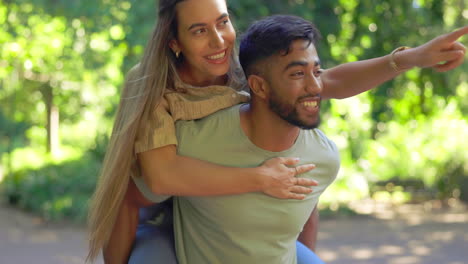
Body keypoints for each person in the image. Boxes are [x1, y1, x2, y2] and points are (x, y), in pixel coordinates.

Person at [86, 0, 468, 263]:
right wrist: (260, 178)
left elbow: (327, 80)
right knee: (134, 208)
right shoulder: (154, 86)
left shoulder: (236, 68)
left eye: (223, 22)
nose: (218, 40)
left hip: (230, 192)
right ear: (175, 41)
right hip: (157, 196)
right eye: (199, 30)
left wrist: (411, 58)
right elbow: (158, 176)